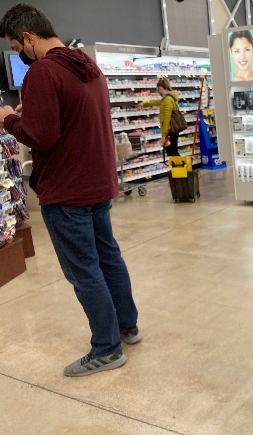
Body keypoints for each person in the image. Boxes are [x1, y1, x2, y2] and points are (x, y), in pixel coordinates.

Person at [0, 4, 140, 377]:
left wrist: (10, 118)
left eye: (16, 47)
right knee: (108, 258)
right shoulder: (86, 66)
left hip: (66, 189)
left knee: (83, 270)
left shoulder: (44, 72)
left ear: (29, 38)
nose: (18, 55)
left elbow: (41, 137)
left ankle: (107, 348)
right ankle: (127, 326)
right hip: (97, 183)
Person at [137, 78, 180, 157]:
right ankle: (180, 168)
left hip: (170, 132)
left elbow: (167, 119)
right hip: (171, 131)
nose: (158, 92)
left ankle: (179, 169)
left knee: (172, 154)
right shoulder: (167, 99)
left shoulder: (167, 99)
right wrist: (145, 103)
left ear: (160, 88)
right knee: (174, 153)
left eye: (158, 90)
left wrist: (164, 136)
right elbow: (158, 102)